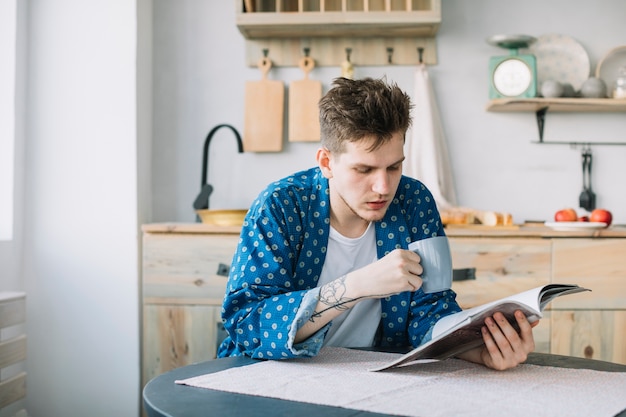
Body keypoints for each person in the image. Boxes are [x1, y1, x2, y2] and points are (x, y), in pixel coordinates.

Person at [218, 77, 536, 370]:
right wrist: (357, 286)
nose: (384, 187)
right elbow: (246, 323)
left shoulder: (414, 202)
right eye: (364, 170)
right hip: (265, 377)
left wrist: (477, 350)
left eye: (394, 167)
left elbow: (431, 312)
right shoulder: (281, 205)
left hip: (373, 378)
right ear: (326, 162)